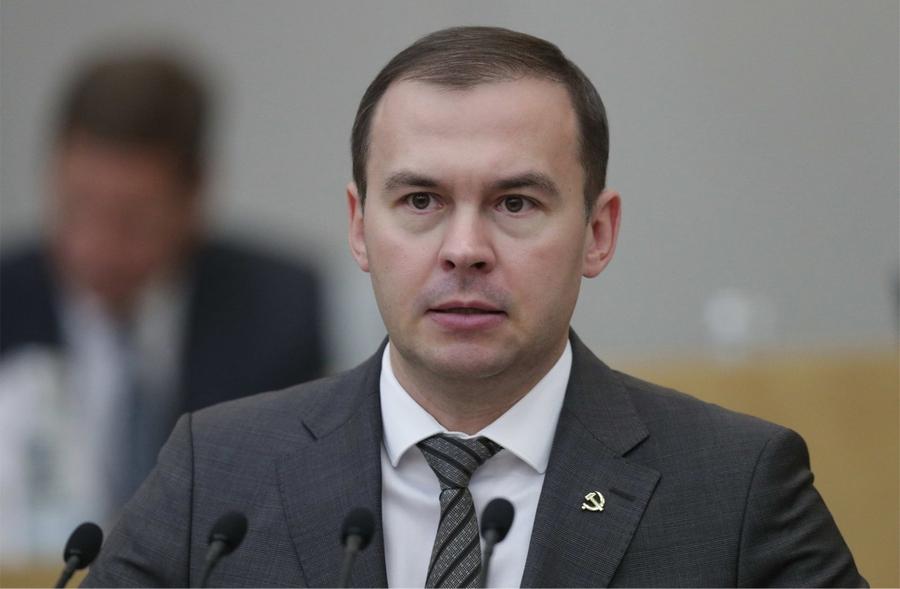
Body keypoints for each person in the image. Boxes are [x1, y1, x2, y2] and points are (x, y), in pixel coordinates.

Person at [83, 27, 864, 587]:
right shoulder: (216, 472)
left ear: (597, 233)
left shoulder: (733, 486)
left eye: (515, 202)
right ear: (359, 227)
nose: (464, 249)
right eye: (421, 200)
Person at [0, 51, 324, 560]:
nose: (96, 247)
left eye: (132, 220)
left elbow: (282, 510)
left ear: (194, 198)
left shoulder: (275, 309)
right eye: (77, 206)